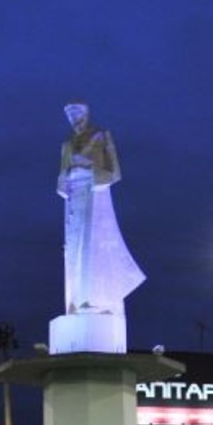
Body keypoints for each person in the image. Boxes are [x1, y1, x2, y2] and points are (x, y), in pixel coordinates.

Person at [55, 102, 144, 319]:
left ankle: (93, 301)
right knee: (73, 252)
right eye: (70, 116)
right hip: (73, 200)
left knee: (93, 247)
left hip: (94, 193)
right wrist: (63, 180)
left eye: (77, 114)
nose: (74, 119)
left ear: (85, 115)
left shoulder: (101, 136)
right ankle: (75, 305)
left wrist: (86, 165)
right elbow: (60, 180)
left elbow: (114, 173)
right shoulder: (66, 145)